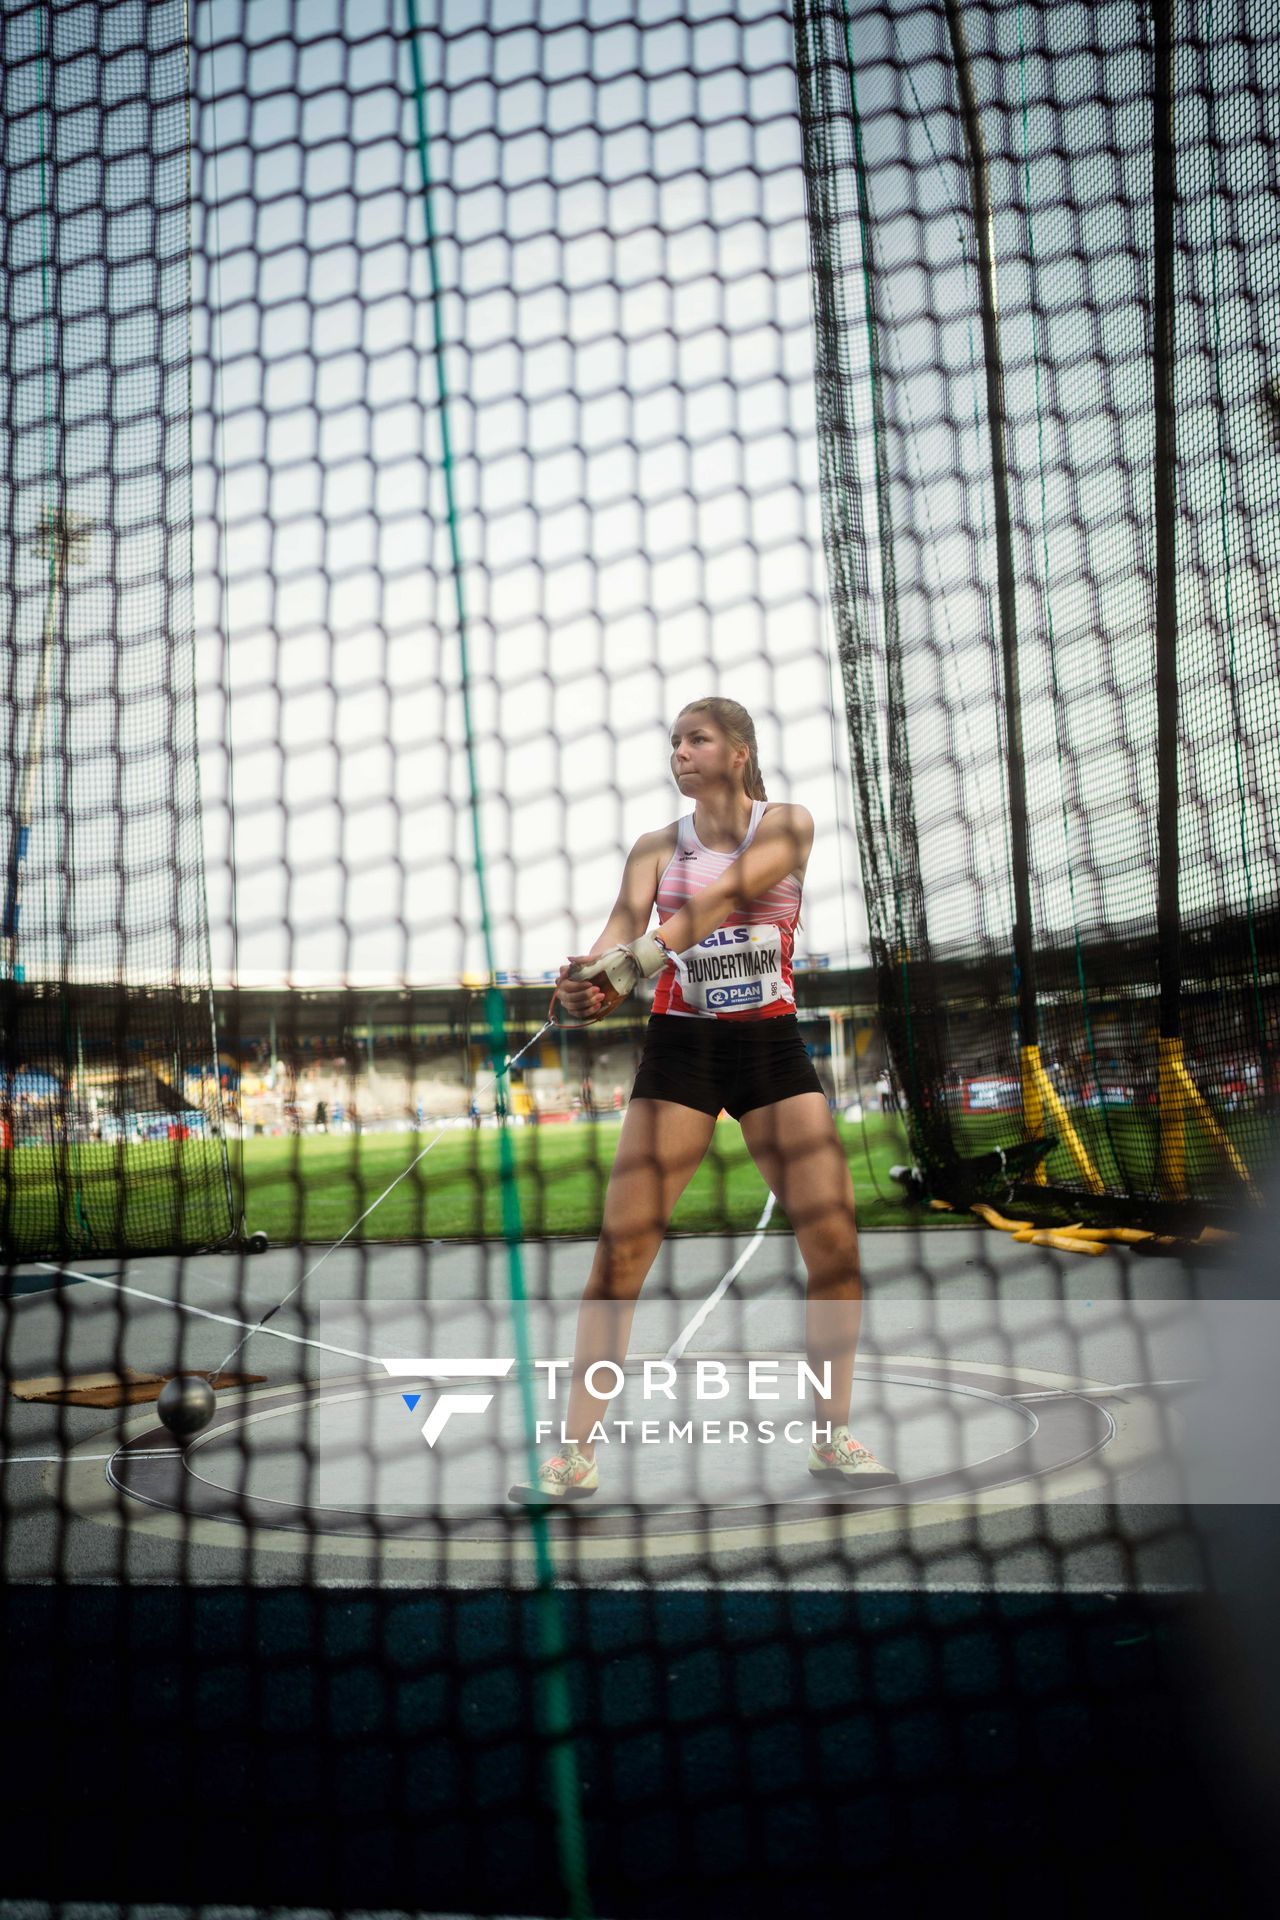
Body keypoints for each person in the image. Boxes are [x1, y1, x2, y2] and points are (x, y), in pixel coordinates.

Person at [512, 696, 895, 1501]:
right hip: (682, 1053)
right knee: (622, 1250)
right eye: (674, 740)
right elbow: (619, 930)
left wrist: (640, 957)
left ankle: (833, 1435)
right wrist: (588, 977)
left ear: (741, 752)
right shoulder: (655, 847)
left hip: (770, 1051)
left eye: (698, 738)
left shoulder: (787, 823)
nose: (680, 751)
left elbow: (721, 902)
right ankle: (573, 1454)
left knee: (835, 1244)